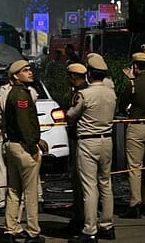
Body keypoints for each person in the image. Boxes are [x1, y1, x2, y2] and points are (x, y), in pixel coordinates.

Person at [66, 58, 117, 243]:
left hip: (88, 141)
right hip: (107, 140)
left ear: (88, 73)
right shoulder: (111, 93)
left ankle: (90, 230)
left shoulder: (85, 95)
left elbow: (71, 115)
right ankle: (107, 226)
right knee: (106, 183)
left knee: (89, 187)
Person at [2, 60, 44, 243]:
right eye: (25, 70)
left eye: (29, 69)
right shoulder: (20, 95)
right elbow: (24, 123)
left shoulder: (14, 93)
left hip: (12, 145)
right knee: (30, 192)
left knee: (13, 190)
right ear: (15, 76)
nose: (30, 72)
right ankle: (33, 232)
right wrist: (33, 145)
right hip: (23, 147)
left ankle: (10, 229)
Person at [119, 52, 145, 218]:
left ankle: (135, 204)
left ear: (135, 67)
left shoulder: (133, 84)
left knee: (135, 168)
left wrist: (129, 80)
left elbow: (122, 103)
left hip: (136, 127)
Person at [62, 63, 89, 234]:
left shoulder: (81, 94)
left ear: (73, 77)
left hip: (80, 140)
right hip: (87, 140)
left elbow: (72, 116)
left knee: (81, 183)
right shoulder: (85, 91)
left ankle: (82, 218)